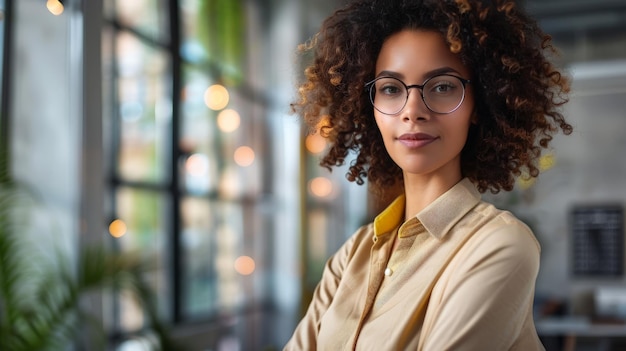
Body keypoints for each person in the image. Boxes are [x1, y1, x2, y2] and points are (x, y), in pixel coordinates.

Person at [284, 0, 572, 350]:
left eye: (442, 87)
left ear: (478, 104)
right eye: (391, 89)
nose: (412, 111)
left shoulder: (500, 245)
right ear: (369, 108)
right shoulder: (350, 257)